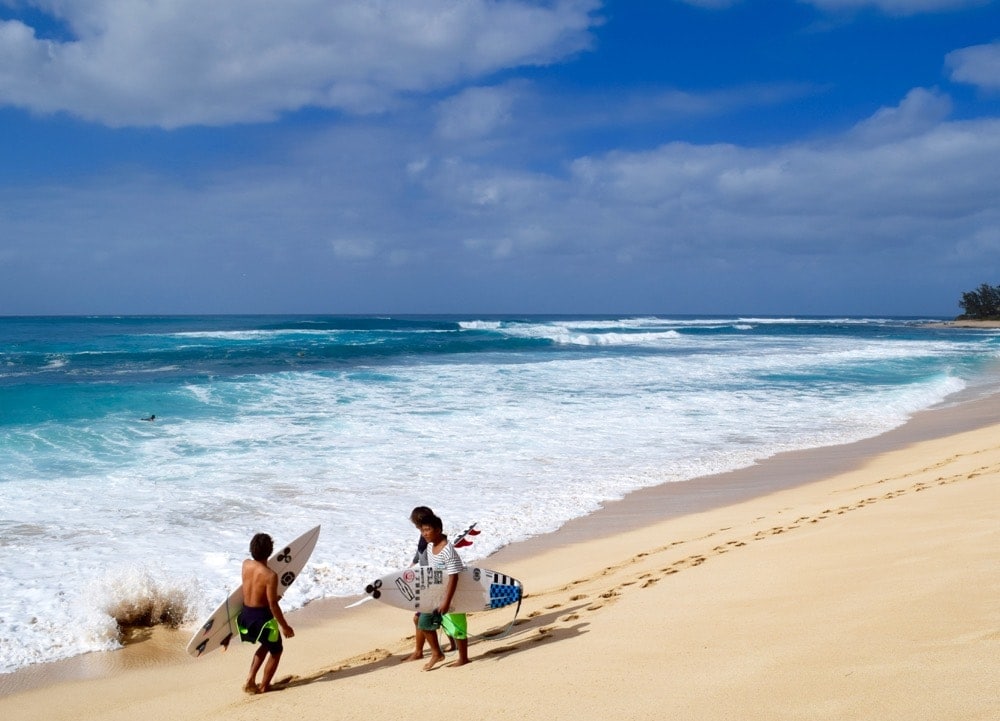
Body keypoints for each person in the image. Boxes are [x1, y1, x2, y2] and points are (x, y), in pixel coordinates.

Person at [237, 532, 295, 694]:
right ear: (270, 552)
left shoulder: (246, 564)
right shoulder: (270, 575)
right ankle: (264, 686)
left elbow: (255, 589)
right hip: (262, 620)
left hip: (245, 616)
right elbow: (273, 605)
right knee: (276, 650)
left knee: (267, 643)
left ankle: (250, 679)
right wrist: (285, 626)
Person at [415, 513, 469, 670]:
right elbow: (433, 573)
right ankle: (436, 653)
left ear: (438, 530)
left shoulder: (447, 551)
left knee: (457, 627)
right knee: (422, 622)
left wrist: (446, 600)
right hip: (436, 594)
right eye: (422, 530)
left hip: (452, 595)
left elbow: (454, 577)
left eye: (427, 530)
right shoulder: (431, 547)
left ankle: (464, 658)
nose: (424, 533)